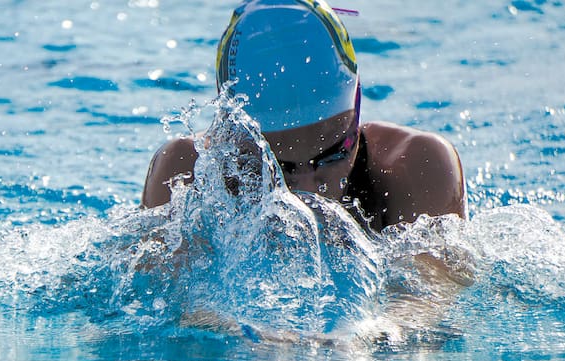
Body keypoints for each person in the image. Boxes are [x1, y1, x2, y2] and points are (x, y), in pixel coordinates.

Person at [141, 0, 466, 231]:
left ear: (356, 112)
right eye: (280, 168)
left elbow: (426, 306)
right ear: (233, 135)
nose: (309, 192)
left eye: (332, 155)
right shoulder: (187, 174)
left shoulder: (416, 167)